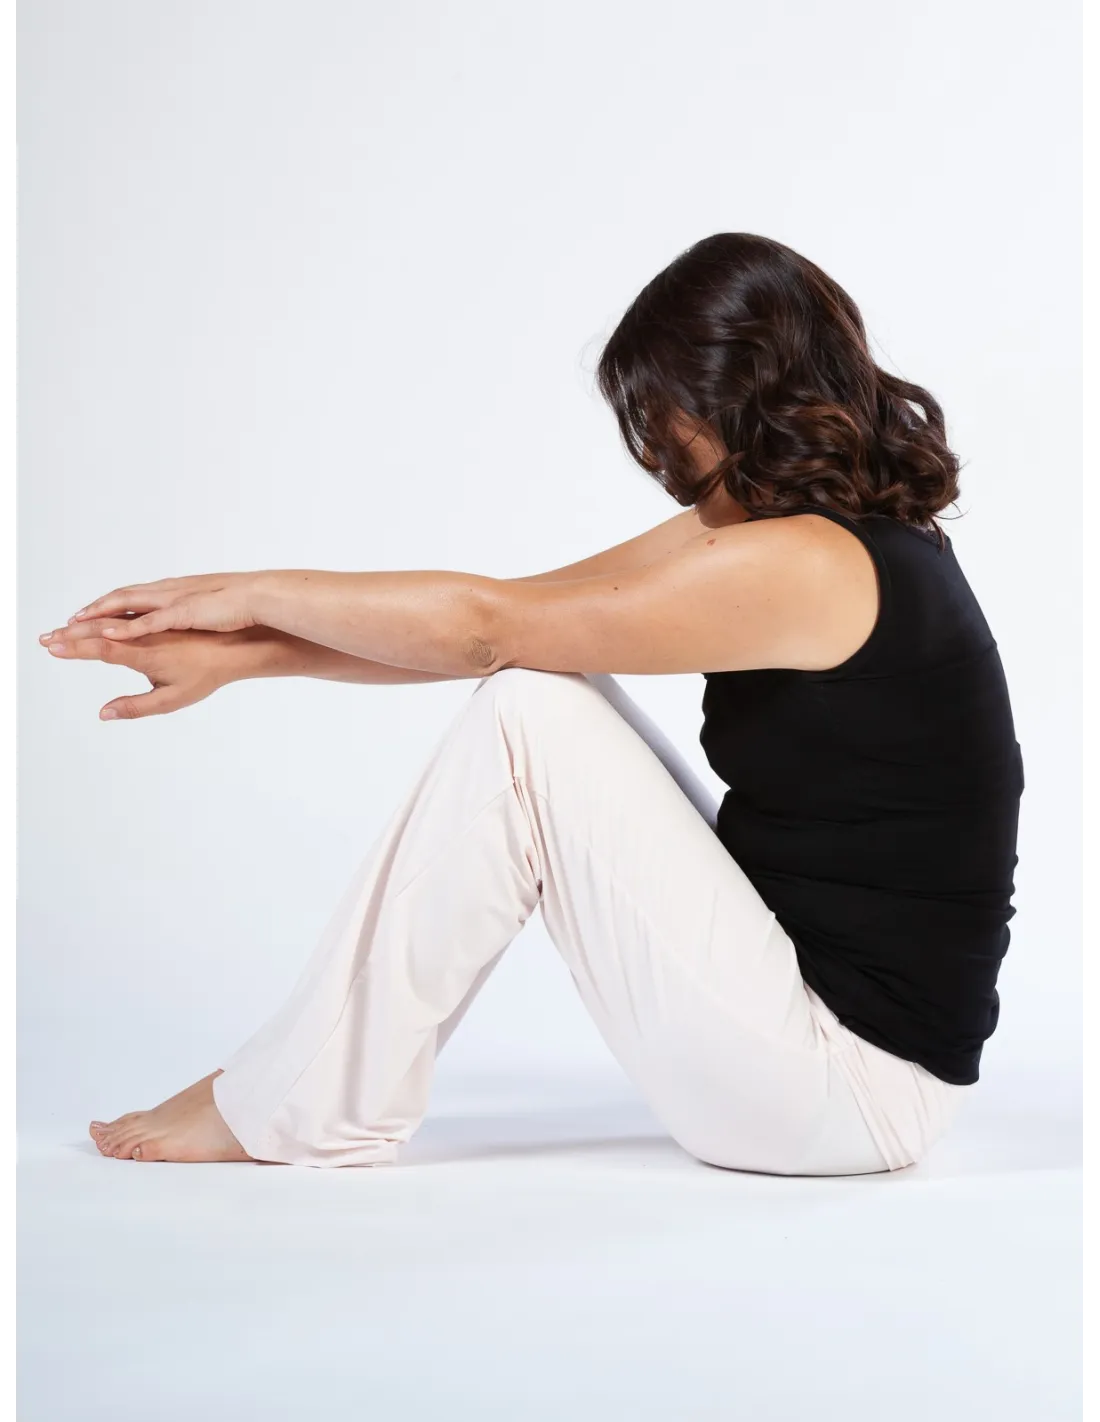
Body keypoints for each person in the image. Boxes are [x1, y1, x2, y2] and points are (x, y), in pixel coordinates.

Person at [40, 233, 1024, 1175]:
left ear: (734, 393)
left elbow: (484, 626)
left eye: (663, 414)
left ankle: (297, 1104)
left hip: (844, 1091)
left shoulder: (806, 564)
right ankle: (299, 1091)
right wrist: (246, 655)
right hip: (831, 1051)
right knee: (540, 685)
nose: (657, 449)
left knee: (530, 716)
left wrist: (249, 592)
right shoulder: (814, 536)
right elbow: (516, 615)